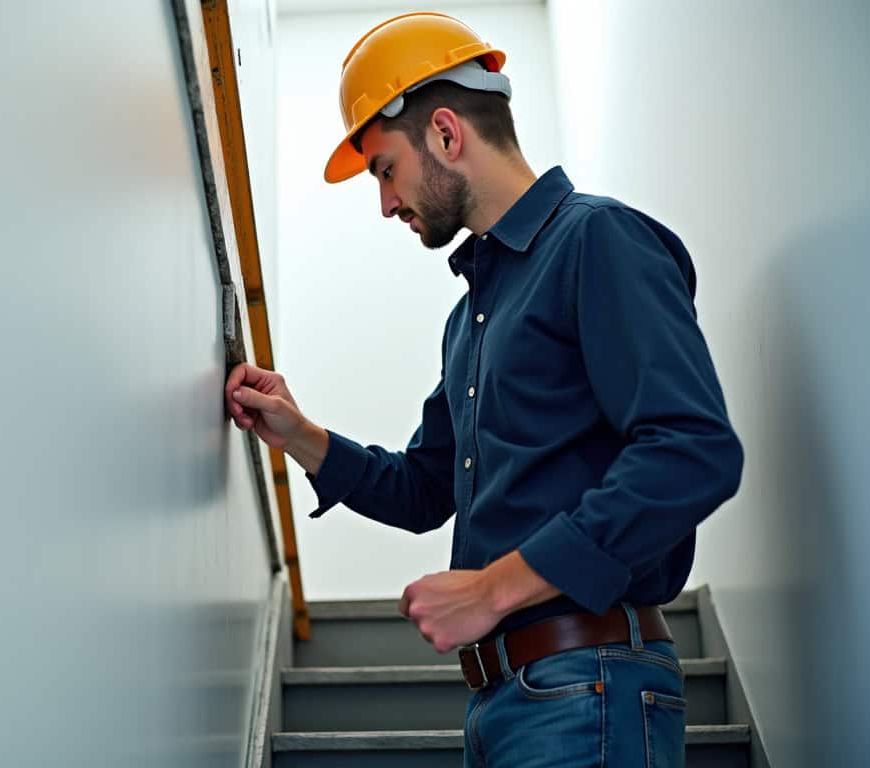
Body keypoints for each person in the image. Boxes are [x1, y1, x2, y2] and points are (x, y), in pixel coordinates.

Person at [224, 11, 743, 767]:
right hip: (507, 702)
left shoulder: (598, 241)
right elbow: (425, 488)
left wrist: (495, 588)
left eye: (383, 169)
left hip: (587, 685)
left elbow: (693, 452)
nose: (384, 203)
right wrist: (298, 434)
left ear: (444, 133)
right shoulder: (473, 315)